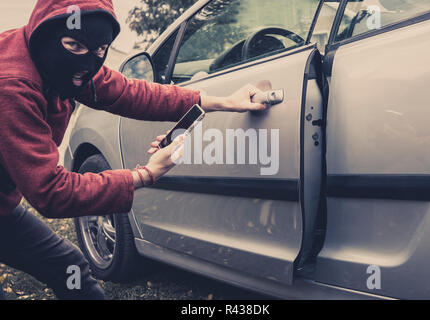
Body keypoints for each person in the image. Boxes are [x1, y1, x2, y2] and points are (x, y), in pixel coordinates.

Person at [0, 0, 267, 300]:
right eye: (73, 44)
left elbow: (131, 93)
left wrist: (224, 101)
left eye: (100, 50)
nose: (87, 63)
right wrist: (145, 174)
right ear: (44, 31)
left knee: (69, 268)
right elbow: (52, 192)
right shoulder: (13, 84)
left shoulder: (67, 63)